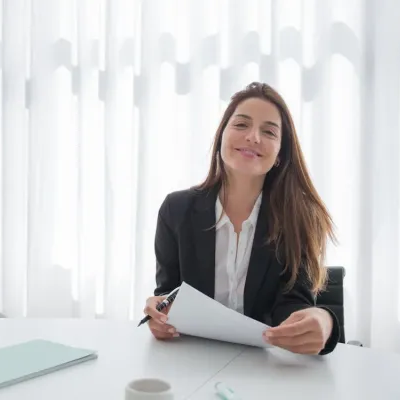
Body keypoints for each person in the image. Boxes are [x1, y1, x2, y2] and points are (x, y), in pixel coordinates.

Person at [143, 82, 340, 355]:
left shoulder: (301, 218)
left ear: (280, 155)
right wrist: (161, 312)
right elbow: (170, 293)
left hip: (264, 365)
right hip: (191, 359)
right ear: (221, 136)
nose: (253, 137)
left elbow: (294, 306)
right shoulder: (175, 210)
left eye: (269, 131)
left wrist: (324, 321)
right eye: (241, 125)